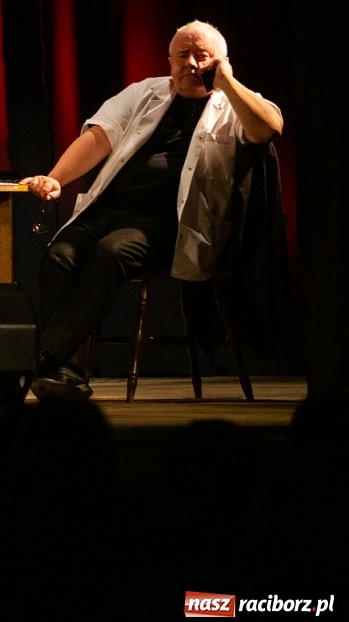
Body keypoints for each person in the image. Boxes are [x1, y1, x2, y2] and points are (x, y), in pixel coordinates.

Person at [19, 20, 283, 401]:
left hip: (165, 224)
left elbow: (269, 128)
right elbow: (99, 137)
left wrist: (226, 82)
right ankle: (66, 370)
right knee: (58, 257)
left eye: (202, 56)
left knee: (111, 253)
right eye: (182, 55)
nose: (191, 63)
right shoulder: (146, 92)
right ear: (169, 61)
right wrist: (56, 178)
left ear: (222, 62)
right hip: (109, 210)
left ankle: (46, 358)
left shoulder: (234, 105)